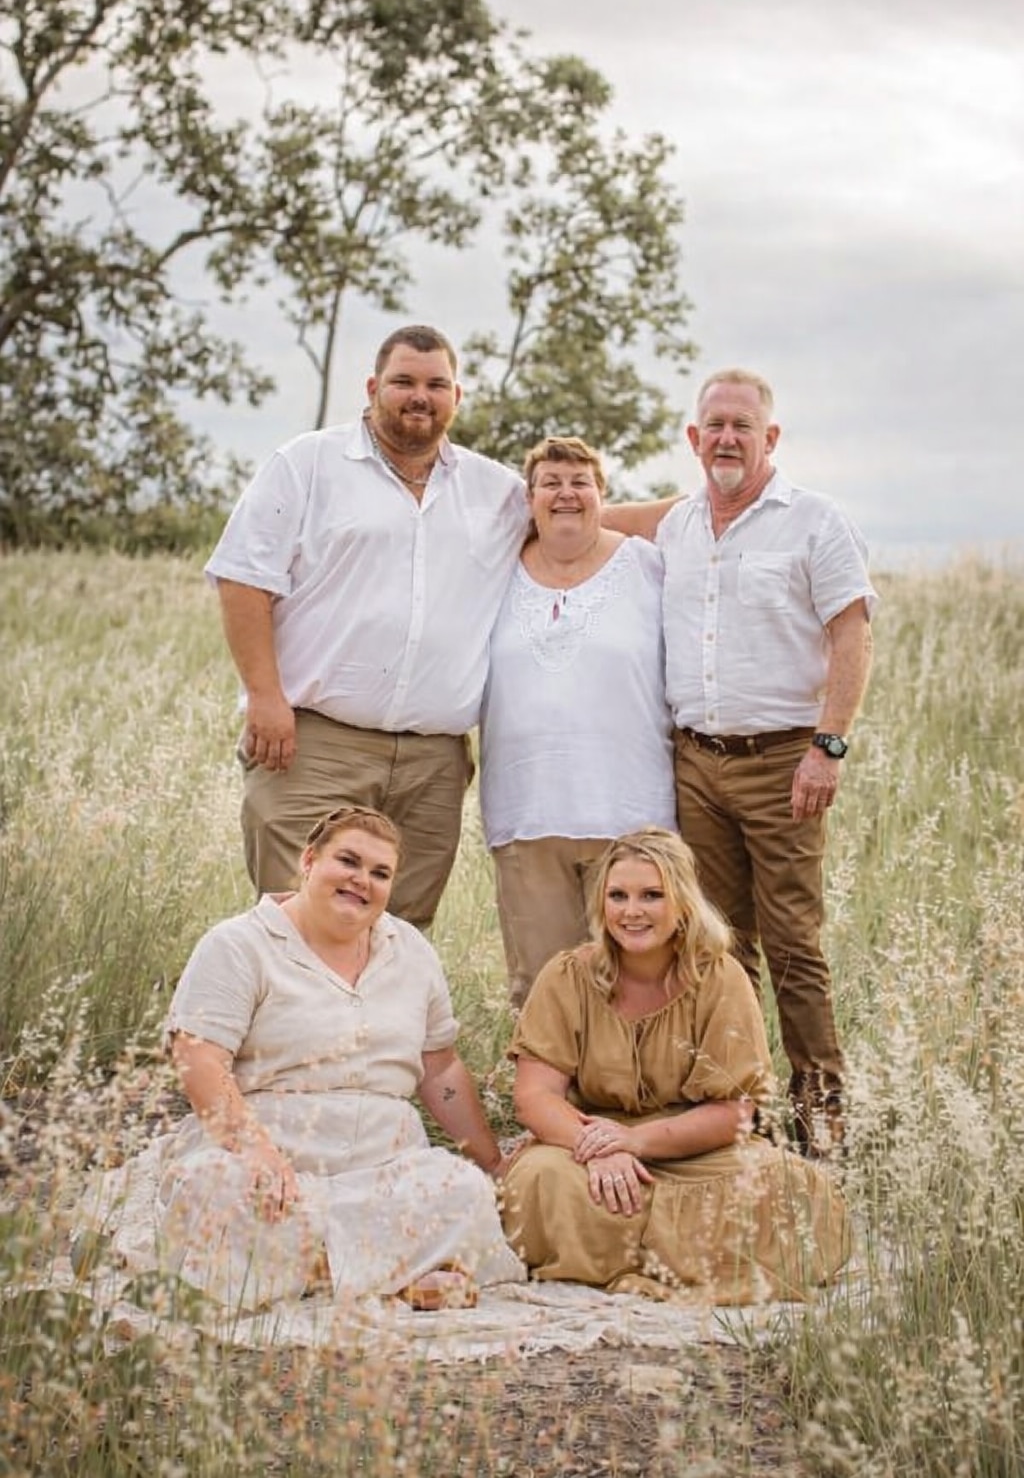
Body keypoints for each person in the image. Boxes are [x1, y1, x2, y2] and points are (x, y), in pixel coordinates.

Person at [207, 324, 671, 928]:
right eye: (403, 382)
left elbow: (581, 517)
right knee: (297, 922)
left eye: (435, 384)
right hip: (316, 742)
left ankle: (379, 1029)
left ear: (458, 396)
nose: (418, 396)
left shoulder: (493, 490)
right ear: (373, 387)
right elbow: (244, 577)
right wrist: (265, 697)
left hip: (433, 761)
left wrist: (712, 504)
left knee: (399, 932)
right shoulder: (307, 464)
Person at [78, 805, 525, 1313]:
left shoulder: (411, 951)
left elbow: (440, 1066)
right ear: (309, 860)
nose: (362, 881)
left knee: (460, 1188)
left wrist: (490, 1162)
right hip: (271, 1154)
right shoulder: (239, 944)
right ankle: (382, 1277)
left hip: (383, 1162)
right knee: (210, 1193)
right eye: (349, 862)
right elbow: (197, 1057)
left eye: (380, 873)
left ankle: (311, 1273)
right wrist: (256, 1153)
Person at [657, 368, 877, 1155]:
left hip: (785, 759)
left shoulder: (813, 521)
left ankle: (823, 1118)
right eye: (712, 425)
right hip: (696, 762)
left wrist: (829, 744)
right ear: (693, 437)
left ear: (769, 438)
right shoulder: (677, 526)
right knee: (717, 944)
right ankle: (740, 1110)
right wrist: (533, 502)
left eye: (741, 427)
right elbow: (585, 515)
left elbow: (851, 633)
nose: (725, 438)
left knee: (792, 942)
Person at [501, 829, 850, 1305]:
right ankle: (685, 1256)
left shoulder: (719, 977)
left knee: (794, 1186)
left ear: (683, 902)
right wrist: (601, 1147)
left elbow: (737, 1112)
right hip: (591, 1145)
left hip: (695, 1147)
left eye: (651, 895)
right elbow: (534, 1096)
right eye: (617, 896)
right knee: (538, 1180)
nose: (632, 911)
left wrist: (637, 1141)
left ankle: (616, 1254)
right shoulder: (568, 975)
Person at [479, 436, 676, 1008]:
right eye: (550, 484)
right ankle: (547, 1097)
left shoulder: (648, 565)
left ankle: (635, 1096)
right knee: (544, 987)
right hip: (526, 810)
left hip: (631, 811)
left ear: (602, 494)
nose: (566, 494)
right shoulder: (496, 570)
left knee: (638, 978)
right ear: (530, 498)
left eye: (580, 482)